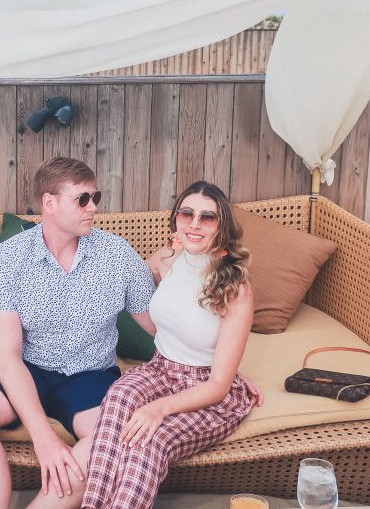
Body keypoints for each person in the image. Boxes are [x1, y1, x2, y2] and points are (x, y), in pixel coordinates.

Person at [0, 157, 156, 509]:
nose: (93, 208)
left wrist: (212, 367)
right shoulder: (9, 258)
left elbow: (159, 326)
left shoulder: (119, 256)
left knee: (118, 437)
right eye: (82, 199)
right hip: (27, 366)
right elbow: (6, 358)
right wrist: (43, 438)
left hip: (91, 373)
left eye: (96, 197)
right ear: (49, 203)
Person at [81, 180, 258, 509]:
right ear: (176, 218)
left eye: (207, 218)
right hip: (160, 368)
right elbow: (133, 282)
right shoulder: (169, 258)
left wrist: (158, 407)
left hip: (206, 388)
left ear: (222, 226)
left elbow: (218, 385)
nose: (194, 224)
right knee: (117, 398)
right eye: (186, 213)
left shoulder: (236, 287)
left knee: (149, 441)